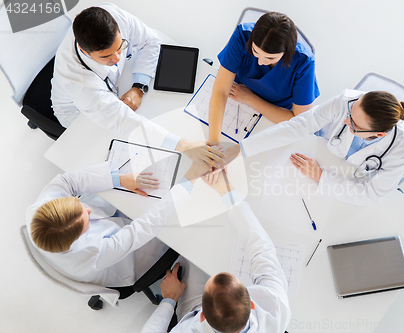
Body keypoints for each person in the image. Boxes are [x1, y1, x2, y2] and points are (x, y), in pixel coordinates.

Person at [51, 3, 222, 167]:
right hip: (77, 115)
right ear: (84, 50)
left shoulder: (112, 16)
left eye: (120, 48)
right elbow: (125, 122)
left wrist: (139, 86)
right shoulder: (79, 82)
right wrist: (184, 146)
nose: (118, 59)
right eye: (106, 56)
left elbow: (151, 41)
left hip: (114, 88)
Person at [141, 173, 291, 333]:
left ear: (202, 316)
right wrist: (228, 192)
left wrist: (169, 300)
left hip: (193, 306)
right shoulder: (275, 307)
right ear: (251, 304)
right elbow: (261, 246)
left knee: (192, 243)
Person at [26, 161, 206, 287]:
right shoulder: (93, 254)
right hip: (129, 259)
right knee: (185, 221)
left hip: (112, 224)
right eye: (87, 220)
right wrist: (188, 180)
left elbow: (67, 181)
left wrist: (118, 179)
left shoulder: (39, 210)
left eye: (80, 205)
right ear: (80, 236)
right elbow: (145, 227)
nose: (88, 210)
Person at [223, 89, 404, 206]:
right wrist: (242, 149)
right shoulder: (346, 101)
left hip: (341, 183)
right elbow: (299, 125)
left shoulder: (402, 149)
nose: (346, 119)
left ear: (379, 134)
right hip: (321, 154)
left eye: (354, 124)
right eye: (350, 111)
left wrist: (322, 177)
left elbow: (370, 194)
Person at [208, 11, 320, 144]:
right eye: (255, 51)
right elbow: (220, 90)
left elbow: (300, 121)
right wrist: (214, 144)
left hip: (274, 113)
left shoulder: (304, 62)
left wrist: (250, 98)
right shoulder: (242, 35)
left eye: (270, 58)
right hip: (237, 98)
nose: (260, 62)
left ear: (287, 51)